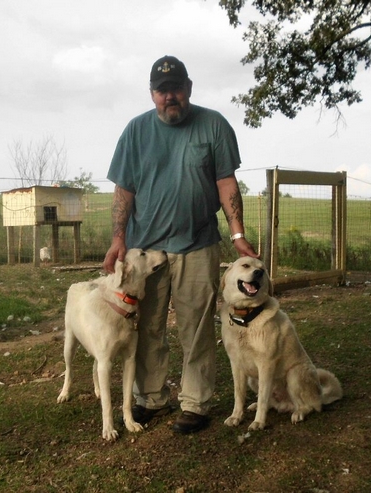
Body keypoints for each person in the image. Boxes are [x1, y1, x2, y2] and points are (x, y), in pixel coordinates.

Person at [103, 55, 258, 434]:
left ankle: (196, 403)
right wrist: (119, 237)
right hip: (146, 250)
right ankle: (151, 398)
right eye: (162, 90)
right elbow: (124, 188)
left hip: (197, 244)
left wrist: (237, 234)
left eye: (176, 89)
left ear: (188, 88)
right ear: (152, 93)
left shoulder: (214, 125)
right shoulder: (136, 132)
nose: (169, 97)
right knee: (148, 327)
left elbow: (226, 183)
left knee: (197, 326)